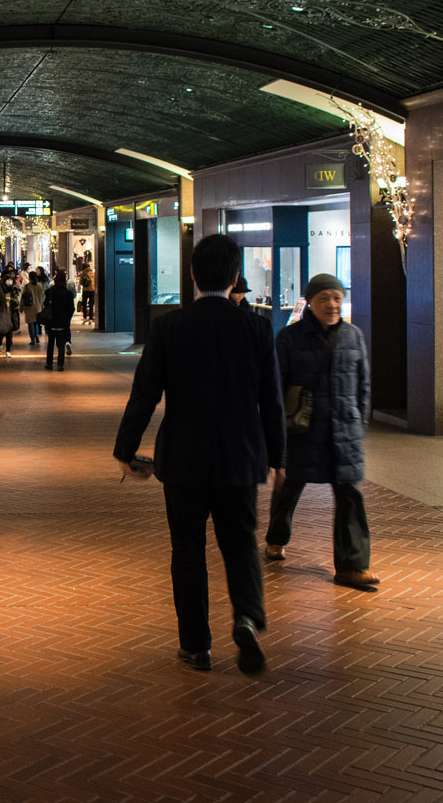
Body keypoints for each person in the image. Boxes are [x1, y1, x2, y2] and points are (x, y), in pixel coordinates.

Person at [112, 233, 285, 675]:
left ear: (191, 274)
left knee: (187, 551)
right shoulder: (257, 328)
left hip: (185, 459)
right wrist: (279, 456)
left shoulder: (169, 327)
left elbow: (144, 393)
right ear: (234, 277)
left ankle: (196, 645)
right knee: (241, 543)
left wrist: (126, 449)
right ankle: (246, 617)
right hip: (240, 460)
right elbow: (272, 398)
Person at [265, 273, 378, 591]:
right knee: (288, 489)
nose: (332, 304)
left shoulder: (353, 336)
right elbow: (275, 390)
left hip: (343, 432)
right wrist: (276, 443)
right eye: (324, 298)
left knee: (349, 495)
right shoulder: (289, 339)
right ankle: (276, 537)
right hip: (302, 430)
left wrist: (359, 426)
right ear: (309, 302)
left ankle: (353, 566)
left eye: (337, 298)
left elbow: (364, 386)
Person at [42, 273, 75, 370]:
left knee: (50, 344)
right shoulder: (68, 293)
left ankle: (49, 364)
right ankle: (60, 365)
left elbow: (45, 305)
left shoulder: (49, 292)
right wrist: (67, 318)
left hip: (51, 322)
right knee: (61, 344)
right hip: (63, 323)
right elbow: (71, 308)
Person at [0, 266, 22, 357]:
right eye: (7, 280)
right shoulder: (0, 290)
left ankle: (8, 350)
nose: (9, 281)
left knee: (9, 333)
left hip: (11, 314)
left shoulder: (13, 290)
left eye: (10, 280)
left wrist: (12, 301)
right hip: (1, 314)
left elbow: (17, 302)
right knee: (0, 333)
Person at [20, 270, 45, 346]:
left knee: (30, 324)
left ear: (29, 278)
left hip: (29, 308)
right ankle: (36, 336)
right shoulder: (40, 286)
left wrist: (21, 307)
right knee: (36, 323)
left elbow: (22, 298)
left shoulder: (27, 286)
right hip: (38, 307)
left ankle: (32, 339)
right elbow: (42, 297)